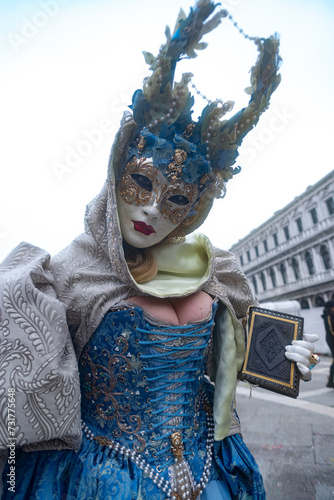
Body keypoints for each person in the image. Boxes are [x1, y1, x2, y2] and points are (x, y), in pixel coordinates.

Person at [0, 2, 319, 499]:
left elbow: (226, 358)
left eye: (175, 199)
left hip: (214, 467)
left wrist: (283, 356)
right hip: (104, 478)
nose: (152, 210)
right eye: (141, 182)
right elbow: (24, 397)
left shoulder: (209, 269)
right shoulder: (64, 273)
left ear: (195, 207)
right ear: (116, 171)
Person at [322, 301, 334, 388]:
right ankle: (330, 381)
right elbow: (331, 330)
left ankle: (330, 381)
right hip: (332, 340)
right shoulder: (329, 316)